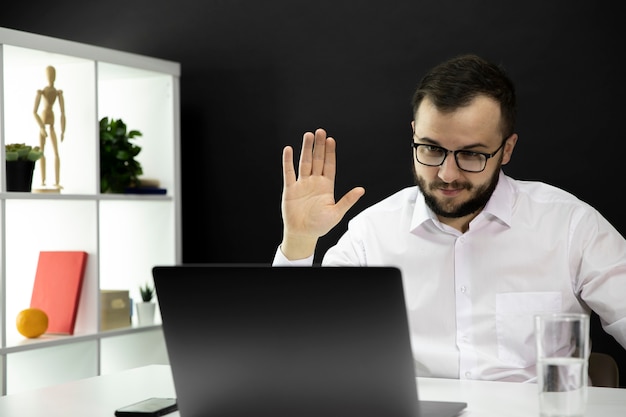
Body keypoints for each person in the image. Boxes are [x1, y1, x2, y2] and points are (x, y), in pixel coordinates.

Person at [273, 53, 626, 383]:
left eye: (471, 154)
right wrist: (300, 242)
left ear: (507, 149)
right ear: (414, 134)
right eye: (431, 149)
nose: (446, 174)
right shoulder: (372, 234)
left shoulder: (569, 225)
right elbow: (290, 350)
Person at [33, 65, 66, 190]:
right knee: (42, 152)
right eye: (50, 74)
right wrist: (41, 126)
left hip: (51, 122)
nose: (51, 77)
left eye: (53, 75)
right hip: (44, 119)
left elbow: (63, 113)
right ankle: (43, 180)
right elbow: (34, 111)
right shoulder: (42, 92)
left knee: (55, 152)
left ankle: (57, 180)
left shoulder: (58, 93)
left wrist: (63, 130)